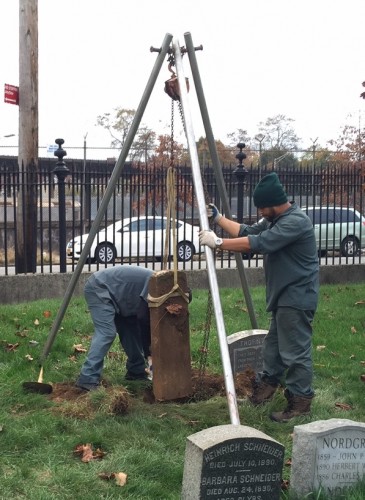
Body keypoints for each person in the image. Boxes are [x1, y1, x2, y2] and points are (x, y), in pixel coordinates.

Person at [199, 172, 319, 422]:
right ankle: (264, 390)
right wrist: (218, 218)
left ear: (274, 203)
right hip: (284, 296)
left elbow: (259, 243)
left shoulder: (295, 222)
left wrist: (217, 242)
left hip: (296, 297)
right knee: (273, 349)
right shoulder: (275, 219)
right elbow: (247, 231)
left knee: (295, 352)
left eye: (262, 207)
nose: (260, 212)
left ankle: (300, 403)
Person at [75, 265, 155, 391]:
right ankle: (87, 378)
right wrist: (149, 355)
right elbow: (143, 319)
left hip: (121, 297)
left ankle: (136, 372)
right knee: (106, 332)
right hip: (100, 287)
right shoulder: (156, 285)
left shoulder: (165, 289)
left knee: (131, 331)